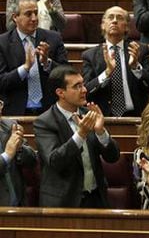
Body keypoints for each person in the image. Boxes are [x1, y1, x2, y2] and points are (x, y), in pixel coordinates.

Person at [34, 65, 120, 208]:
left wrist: (100, 132)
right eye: (77, 87)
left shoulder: (90, 114)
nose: (84, 90)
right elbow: (55, 161)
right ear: (60, 92)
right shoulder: (44, 122)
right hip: (64, 203)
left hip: (96, 199)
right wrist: (81, 134)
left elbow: (113, 157)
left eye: (83, 85)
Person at [82, 6, 149, 117]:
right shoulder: (90, 55)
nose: (114, 21)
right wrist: (107, 73)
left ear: (126, 27)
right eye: (110, 17)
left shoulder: (139, 50)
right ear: (103, 25)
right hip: (103, 117)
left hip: (135, 116)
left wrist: (135, 67)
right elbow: (86, 92)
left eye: (119, 18)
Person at [0, 0, 68, 116]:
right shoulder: (2, 43)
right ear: (15, 17)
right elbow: (1, 82)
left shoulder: (53, 38)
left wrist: (47, 63)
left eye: (36, 13)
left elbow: (67, 74)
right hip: (15, 112)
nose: (34, 18)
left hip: (50, 111)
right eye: (28, 14)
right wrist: (25, 68)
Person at [0, 99, 37, 206]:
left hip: (19, 204)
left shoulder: (9, 126)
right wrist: (7, 155)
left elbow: (32, 161)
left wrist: (20, 147)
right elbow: (8, 154)